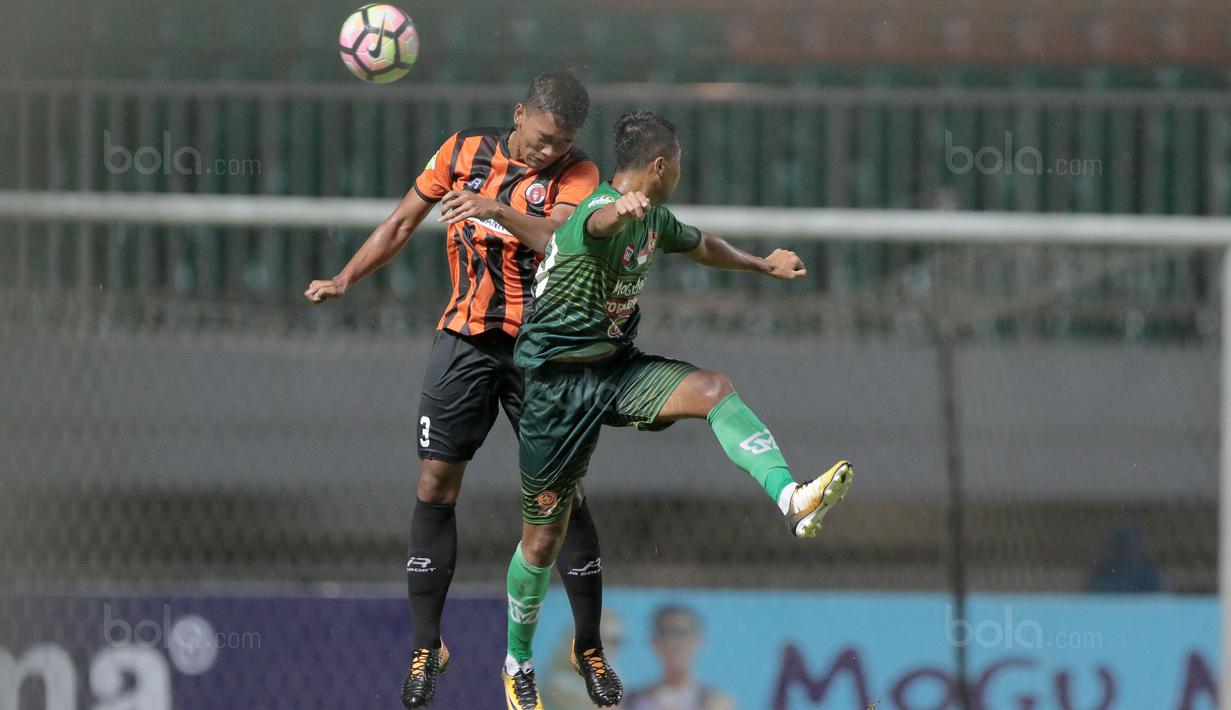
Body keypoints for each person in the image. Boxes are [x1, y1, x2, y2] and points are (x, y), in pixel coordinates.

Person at [498, 110, 855, 709]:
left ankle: (792, 499)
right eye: (680, 164)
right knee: (543, 540)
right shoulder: (598, 211)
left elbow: (702, 244)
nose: (681, 173)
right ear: (660, 166)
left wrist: (761, 264)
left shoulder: (656, 217)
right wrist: (620, 211)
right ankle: (516, 662)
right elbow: (599, 223)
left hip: (615, 370)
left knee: (713, 389)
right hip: (555, 390)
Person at [304, 71, 620, 709]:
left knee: (562, 498)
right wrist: (345, 278)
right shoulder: (459, 153)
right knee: (434, 485)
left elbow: (560, 239)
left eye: (560, 143)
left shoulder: (579, 177)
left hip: (543, 351)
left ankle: (589, 649)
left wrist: (497, 209)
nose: (547, 152)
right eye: (540, 137)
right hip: (465, 343)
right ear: (518, 113)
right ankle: (427, 646)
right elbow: (399, 223)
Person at [624, 606, 734, 710]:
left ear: (698, 641)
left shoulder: (715, 703)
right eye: (665, 633)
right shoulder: (632, 701)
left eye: (682, 633)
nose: (673, 643)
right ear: (654, 641)